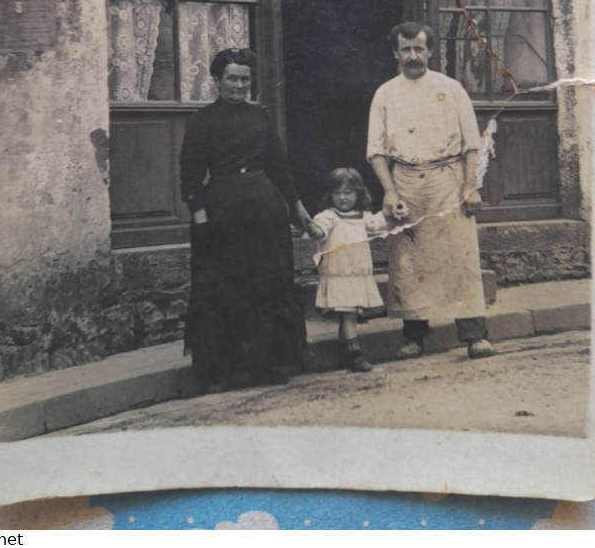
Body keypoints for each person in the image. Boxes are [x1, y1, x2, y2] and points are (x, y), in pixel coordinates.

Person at [179, 47, 315, 392]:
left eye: (245, 79)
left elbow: (279, 166)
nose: (239, 86)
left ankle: (264, 365)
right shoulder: (201, 122)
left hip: (263, 208)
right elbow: (190, 173)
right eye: (232, 79)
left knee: (266, 285)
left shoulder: (261, 118)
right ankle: (218, 371)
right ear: (216, 80)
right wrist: (200, 217)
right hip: (221, 211)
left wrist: (296, 206)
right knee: (223, 288)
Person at [367, 22, 495, 360]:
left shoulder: (451, 89)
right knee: (409, 264)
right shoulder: (385, 93)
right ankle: (413, 337)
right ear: (395, 52)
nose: (412, 56)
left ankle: (474, 335)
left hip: (448, 181)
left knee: (460, 259)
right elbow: (376, 151)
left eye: (418, 49)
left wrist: (471, 187)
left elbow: (472, 144)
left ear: (430, 51)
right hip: (406, 182)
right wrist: (390, 192)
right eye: (405, 49)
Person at [307, 167, 390, 373]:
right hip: (339, 275)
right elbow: (320, 231)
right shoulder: (329, 216)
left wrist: (392, 211)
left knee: (349, 315)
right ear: (330, 195)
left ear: (358, 194)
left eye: (348, 192)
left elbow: (380, 223)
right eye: (337, 193)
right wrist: (313, 229)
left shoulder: (362, 216)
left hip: (357, 274)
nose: (342, 197)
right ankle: (355, 355)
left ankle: (347, 352)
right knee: (349, 315)